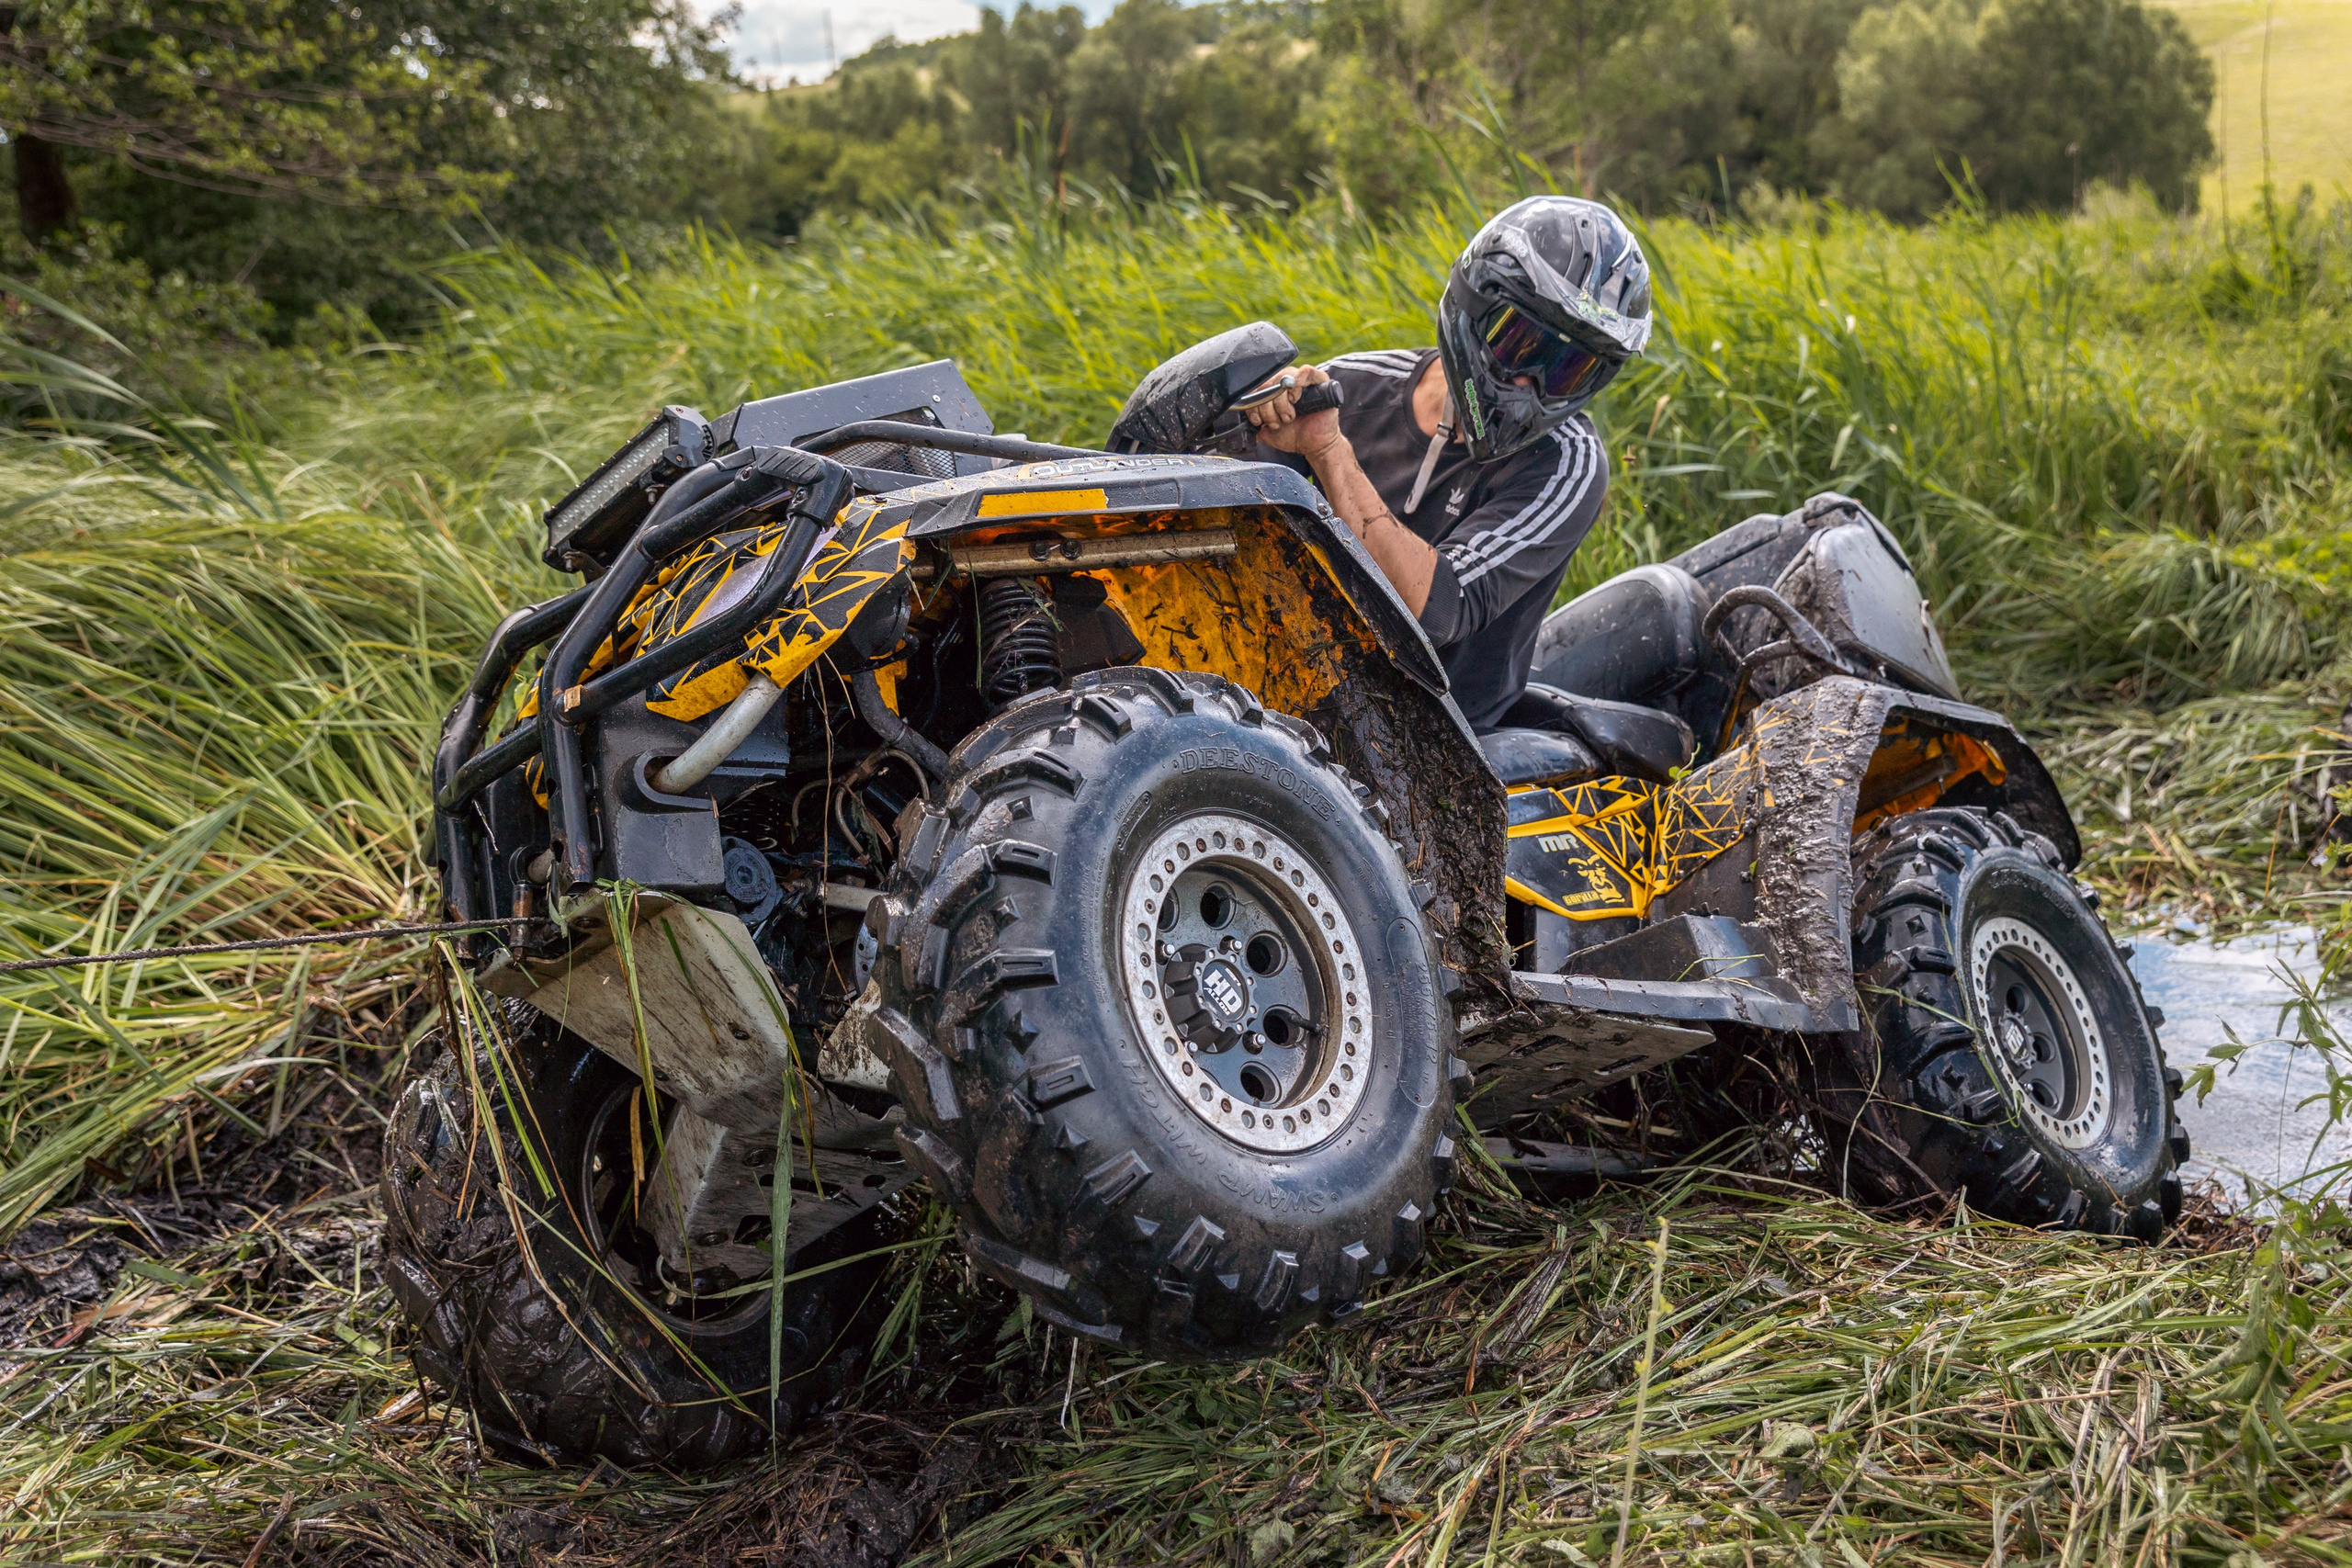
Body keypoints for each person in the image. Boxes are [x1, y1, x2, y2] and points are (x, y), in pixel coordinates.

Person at [1246, 196, 1651, 732]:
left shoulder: (1565, 465)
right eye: (1520, 343)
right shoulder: (1359, 385)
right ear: (1475, 304)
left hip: (1436, 744)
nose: (1530, 383)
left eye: (1568, 369)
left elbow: (1436, 609)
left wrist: (1329, 453)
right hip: (1287, 698)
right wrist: (1247, 410)